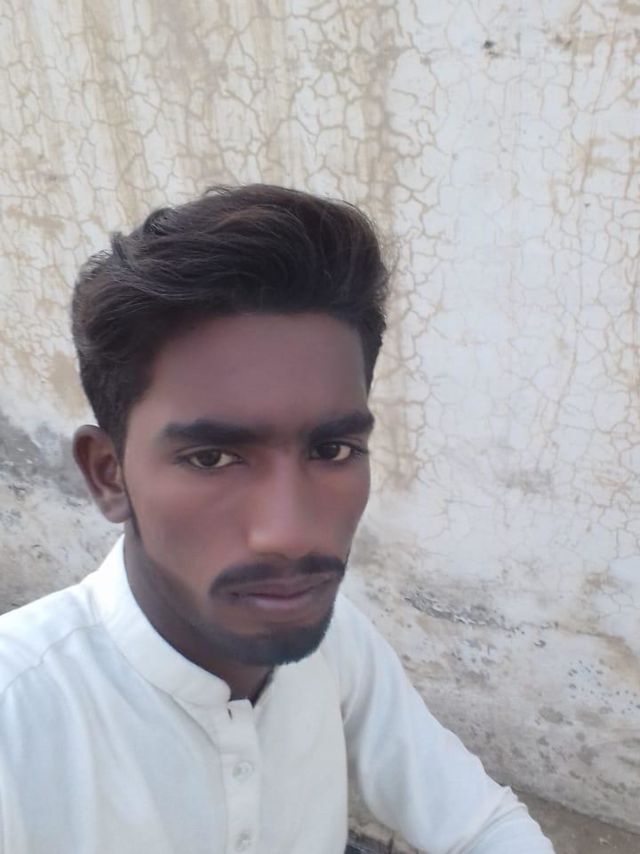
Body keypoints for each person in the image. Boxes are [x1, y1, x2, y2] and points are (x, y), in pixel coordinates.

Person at [0, 185, 554, 853]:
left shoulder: (337, 643)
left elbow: (481, 827)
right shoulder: (18, 716)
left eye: (332, 450)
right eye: (212, 458)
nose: (291, 535)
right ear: (108, 474)